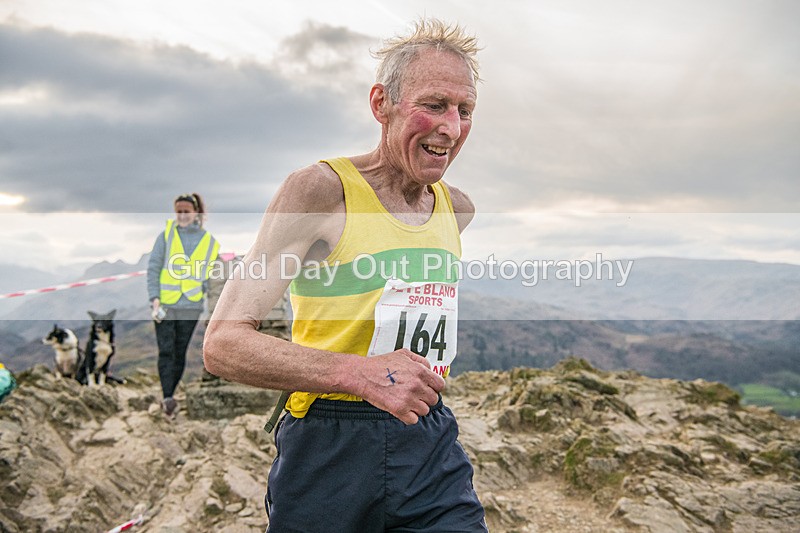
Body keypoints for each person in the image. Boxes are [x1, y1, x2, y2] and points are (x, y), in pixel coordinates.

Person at [204, 18, 487, 532]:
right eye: (433, 104)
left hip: (427, 437)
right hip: (328, 442)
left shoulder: (457, 210)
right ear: (381, 103)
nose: (451, 126)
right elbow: (223, 344)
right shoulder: (318, 191)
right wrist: (359, 374)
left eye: (464, 110)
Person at [147, 193, 220, 417]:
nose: (181, 215)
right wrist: (154, 298)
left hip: (191, 306)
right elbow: (154, 267)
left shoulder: (209, 242)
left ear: (195, 213)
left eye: (186, 211)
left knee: (180, 352)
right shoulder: (166, 236)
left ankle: (170, 393)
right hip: (166, 305)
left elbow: (211, 275)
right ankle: (167, 396)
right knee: (166, 350)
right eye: (178, 211)